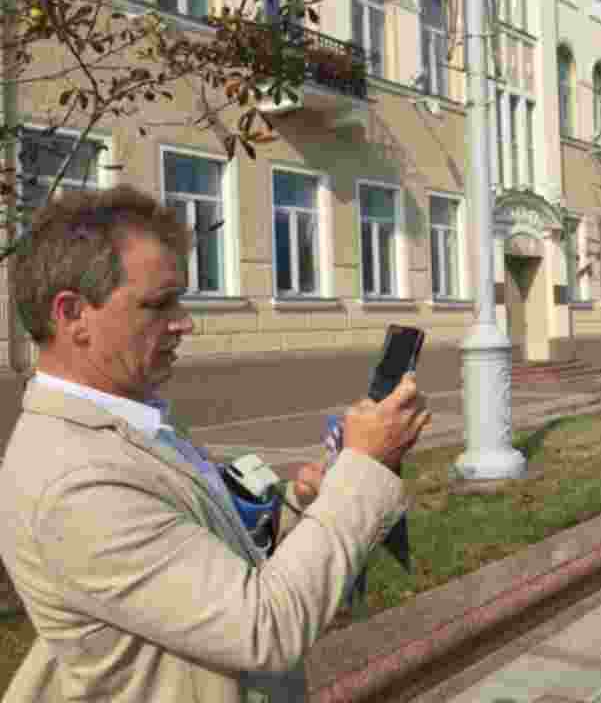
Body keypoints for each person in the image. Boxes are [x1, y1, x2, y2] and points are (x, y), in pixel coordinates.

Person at [0, 184, 432, 702]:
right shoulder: (75, 479)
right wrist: (364, 465)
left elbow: (218, 567)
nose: (184, 321)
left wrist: (304, 511)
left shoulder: (132, 422)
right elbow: (264, 628)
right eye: (160, 304)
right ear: (73, 316)